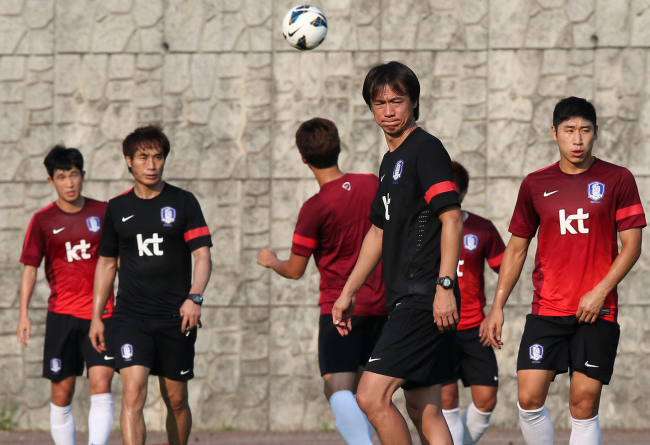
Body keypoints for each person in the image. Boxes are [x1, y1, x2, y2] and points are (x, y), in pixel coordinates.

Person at [484, 97, 645, 445]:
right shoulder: (534, 184)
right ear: (554, 133)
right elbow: (516, 249)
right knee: (528, 399)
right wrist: (497, 306)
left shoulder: (618, 179)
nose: (577, 140)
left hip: (597, 310)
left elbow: (632, 246)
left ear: (596, 133)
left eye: (585, 130)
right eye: (569, 131)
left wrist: (600, 291)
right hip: (547, 309)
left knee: (583, 405)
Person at [333, 61, 464, 445]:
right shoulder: (391, 161)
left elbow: (452, 220)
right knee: (424, 407)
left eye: (397, 101)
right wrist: (348, 292)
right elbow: (378, 231)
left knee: (371, 396)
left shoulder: (427, 149)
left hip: (423, 297)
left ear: (414, 102)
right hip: (407, 297)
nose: (389, 111)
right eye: (379, 103)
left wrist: (444, 286)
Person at [257, 118, 387, 445]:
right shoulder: (371, 182)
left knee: (336, 388)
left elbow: (295, 269)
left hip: (340, 310)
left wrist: (271, 261)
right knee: (366, 397)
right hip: (383, 307)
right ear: (339, 146)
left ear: (303, 158)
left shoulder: (315, 208)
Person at [88, 125, 212, 445]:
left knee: (176, 400)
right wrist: (97, 316)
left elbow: (202, 256)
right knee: (133, 394)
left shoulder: (184, 202)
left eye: (158, 157)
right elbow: (107, 263)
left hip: (176, 316)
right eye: (143, 158)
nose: (151, 165)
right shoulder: (116, 208)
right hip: (131, 316)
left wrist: (194, 298)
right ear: (129, 161)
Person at [17, 146, 115, 445]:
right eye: (62, 177)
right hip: (62, 315)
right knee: (62, 391)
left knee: (102, 383)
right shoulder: (42, 220)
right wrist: (23, 314)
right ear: (51, 181)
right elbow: (30, 268)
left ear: (83, 175)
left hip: (103, 315)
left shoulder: (104, 212)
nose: (69, 183)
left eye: (74, 175)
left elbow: (118, 260)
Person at [441, 161, 505, 445]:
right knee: (446, 398)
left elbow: (507, 269)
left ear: (464, 193)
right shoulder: (424, 229)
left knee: (486, 400)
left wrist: (495, 310)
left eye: (454, 193)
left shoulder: (482, 229)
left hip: (474, 327)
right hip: (438, 327)